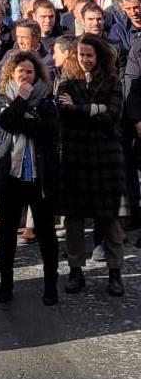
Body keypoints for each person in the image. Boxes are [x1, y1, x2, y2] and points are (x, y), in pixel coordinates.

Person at [56, 34, 127, 297]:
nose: (85, 60)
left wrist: (81, 109)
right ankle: (76, 271)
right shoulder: (66, 80)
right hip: (75, 157)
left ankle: (115, 272)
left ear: (99, 57)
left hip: (106, 158)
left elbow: (112, 117)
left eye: (90, 55)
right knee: (73, 219)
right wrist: (94, 109)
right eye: (81, 55)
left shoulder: (112, 81)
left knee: (110, 221)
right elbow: (62, 113)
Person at [0, 51, 60, 306]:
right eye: (21, 72)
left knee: (46, 234)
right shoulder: (1, 98)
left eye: (30, 72)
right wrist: (21, 101)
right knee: (7, 234)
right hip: (12, 177)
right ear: (12, 74)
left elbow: (49, 131)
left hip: (40, 177)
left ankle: (50, 286)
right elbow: (5, 122)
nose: (26, 76)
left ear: (38, 74)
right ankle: (6, 285)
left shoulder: (47, 100)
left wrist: (23, 119)